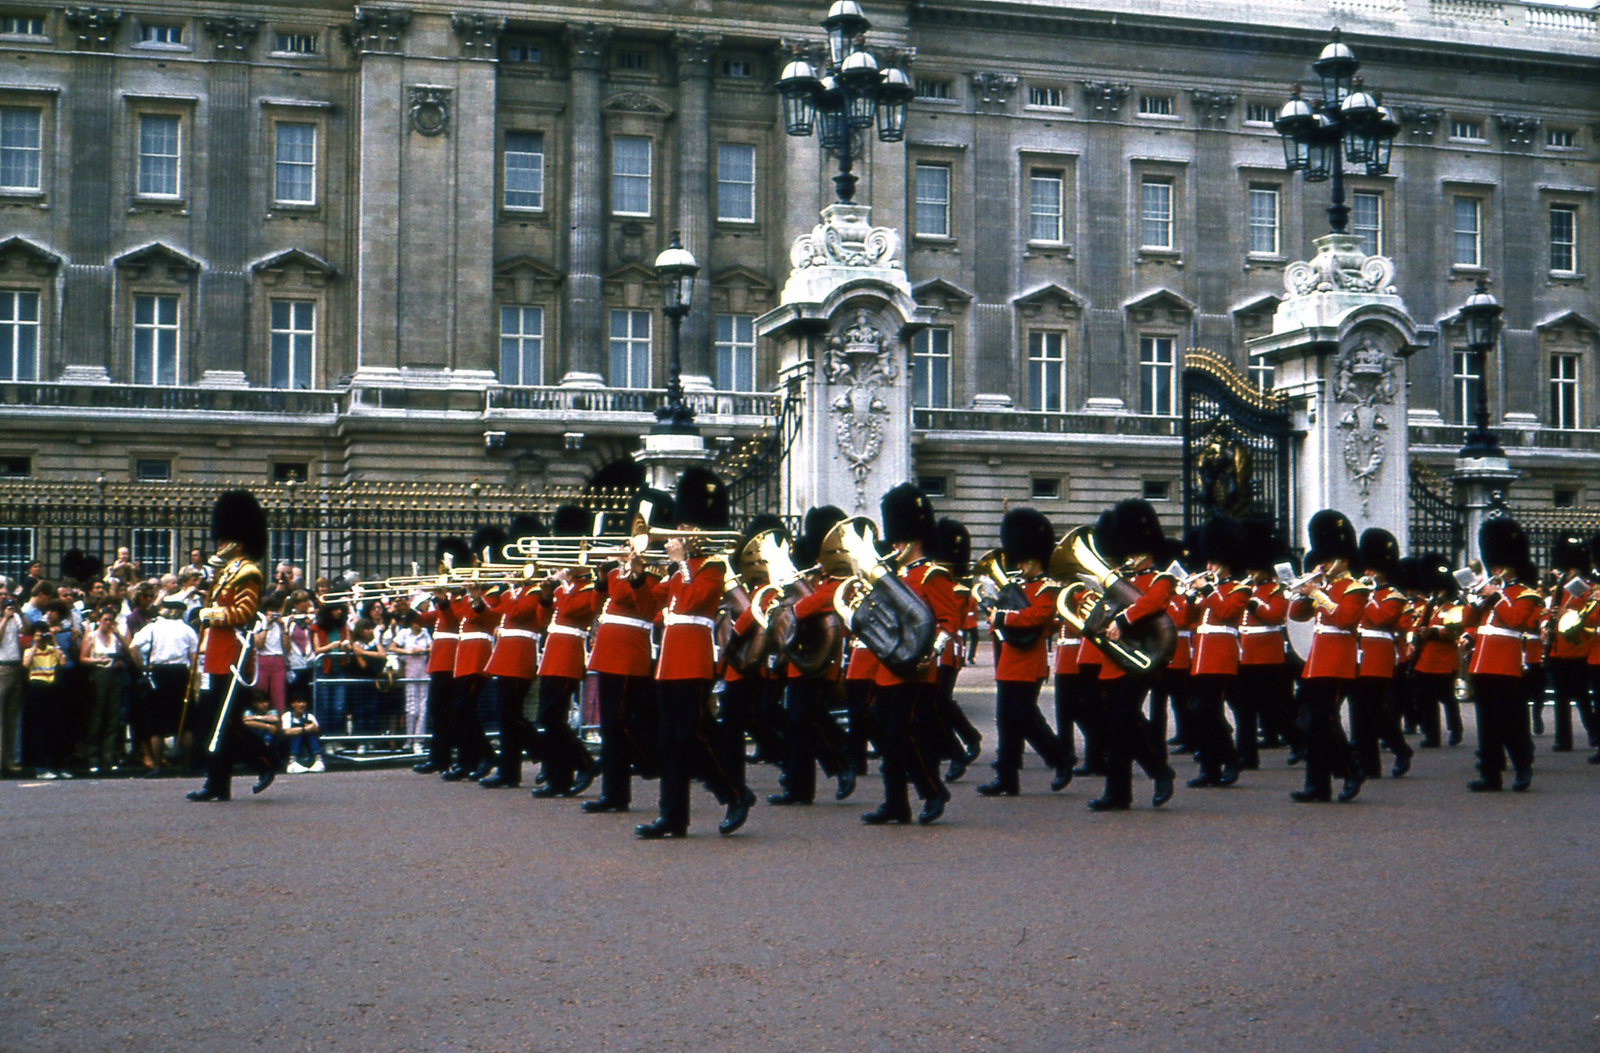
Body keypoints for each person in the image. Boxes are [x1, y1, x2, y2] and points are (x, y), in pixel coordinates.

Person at [634, 467, 755, 839]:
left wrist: (681, 564)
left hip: (693, 660)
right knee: (670, 741)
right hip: (669, 661)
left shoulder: (713, 567)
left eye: (687, 527)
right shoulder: (678, 570)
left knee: (692, 736)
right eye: (679, 526)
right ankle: (672, 816)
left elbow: (693, 602)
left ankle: (736, 793)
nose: (679, 533)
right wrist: (637, 574)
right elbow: (649, 606)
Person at [861, 483, 960, 826]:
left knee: (900, 732)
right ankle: (895, 804)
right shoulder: (894, 576)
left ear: (915, 540)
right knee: (886, 734)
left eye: (899, 540)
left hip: (917, 670)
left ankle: (932, 791)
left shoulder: (933, 575)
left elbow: (950, 622)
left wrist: (930, 654)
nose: (893, 546)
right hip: (888, 668)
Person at [1087, 500, 1179, 812]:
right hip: (1114, 660)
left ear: (1147, 549)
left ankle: (1159, 771)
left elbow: (1154, 602)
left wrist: (1123, 620)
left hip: (1144, 659)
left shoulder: (1161, 579)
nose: (1131, 557)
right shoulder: (1121, 579)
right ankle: (1118, 793)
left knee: (1123, 721)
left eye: (1136, 551)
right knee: (1115, 728)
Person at [188, 490, 279, 803]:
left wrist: (207, 614)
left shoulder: (247, 572)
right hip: (217, 652)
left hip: (234, 654)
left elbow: (244, 613)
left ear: (237, 543)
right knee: (215, 723)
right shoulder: (224, 572)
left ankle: (265, 760)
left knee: (224, 722)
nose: (218, 545)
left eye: (223, 540)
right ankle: (217, 784)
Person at [582, 490, 669, 814]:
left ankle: (652, 769)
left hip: (629, 655)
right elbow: (599, 606)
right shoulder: (630, 570)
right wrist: (602, 579)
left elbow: (638, 602)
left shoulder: (656, 570)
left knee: (620, 725)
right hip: (609, 653)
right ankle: (616, 794)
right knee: (612, 726)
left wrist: (626, 573)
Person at [978, 507, 1073, 797]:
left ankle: (1061, 758)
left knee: (1025, 717)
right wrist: (995, 617)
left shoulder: (1048, 589)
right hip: (1009, 660)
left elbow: (1036, 617)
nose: (1018, 565)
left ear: (1032, 559)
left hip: (1030, 661)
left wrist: (1003, 618)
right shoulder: (1016, 586)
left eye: (1022, 560)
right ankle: (1006, 778)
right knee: (1006, 720)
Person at [1286, 510, 1366, 804]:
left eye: (1327, 558)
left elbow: (1344, 619)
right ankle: (1317, 786)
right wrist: (1304, 592)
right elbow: (1297, 615)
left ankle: (1350, 769)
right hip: (1317, 661)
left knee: (1324, 720)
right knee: (1312, 724)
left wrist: (1318, 593)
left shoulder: (1355, 588)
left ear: (1342, 560)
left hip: (1339, 661)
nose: (1322, 563)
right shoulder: (1326, 586)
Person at [529, 508, 601, 798]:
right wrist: (546, 596)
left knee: (552, 717)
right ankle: (559, 778)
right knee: (549, 718)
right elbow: (541, 621)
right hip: (552, 654)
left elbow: (573, 610)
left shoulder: (588, 588)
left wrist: (560, 586)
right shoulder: (565, 589)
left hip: (569, 655)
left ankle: (585, 763)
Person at [1464, 518, 1539, 793]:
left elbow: (1517, 620)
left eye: (1498, 565)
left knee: (1510, 722)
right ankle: (1490, 774)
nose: (1494, 569)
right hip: (1481, 663)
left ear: (1511, 563)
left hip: (1507, 664)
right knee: (1487, 723)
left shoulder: (1525, 594)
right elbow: (1467, 621)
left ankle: (1522, 767)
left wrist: (1496, 597)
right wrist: (1475, 600)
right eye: (1492, 565)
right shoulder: (1490, 591)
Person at [1183, 516, 1247, 789]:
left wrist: (1207, 590)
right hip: (1201, 655)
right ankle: (1209, 769)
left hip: (1222, 655)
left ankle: (1230, 758)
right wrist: (1188, 597)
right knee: (1200, 711)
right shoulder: (1211, 589)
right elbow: (1188, 619)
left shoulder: (1239, 589)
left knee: (1208, 709)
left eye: (1213, 562)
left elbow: (1227, 613)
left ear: (1227, 560)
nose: (1208, 567)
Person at [1350, 529, 1414, 780]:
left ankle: (1401, 748)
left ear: (1383, 569)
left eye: (1371, 569)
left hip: (1379, 655)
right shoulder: (1361, 590)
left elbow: (1379, 619)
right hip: (1357, 653)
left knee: (1373, 709)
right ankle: (1368, 764)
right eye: (1365, 568)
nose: (1366, 573)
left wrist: (1365, 596)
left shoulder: (1394, 596)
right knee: (1359, 710)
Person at [129, 596, 198, 778]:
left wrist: (143, 667)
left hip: (158, 673)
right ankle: (188, 765)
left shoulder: (153, 628)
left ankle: (157, 767)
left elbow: (133, 647)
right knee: (185, 722)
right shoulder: (187, 630)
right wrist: (193, 682)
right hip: (181, 674)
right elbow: (194, 659)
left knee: (156, 723)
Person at [1544, 537, 1593, 752]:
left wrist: (1568, 613)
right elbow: (1551, 611)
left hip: (1577, 647)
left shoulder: (1585, 587)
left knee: (1582, 696)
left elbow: (1588, 617)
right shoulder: (1560, 586)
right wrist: (1547, 623)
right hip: (1558, 647)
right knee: (1561, 698)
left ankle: (1595, 733)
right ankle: (1563, 739)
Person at [78, 605, 129, 774]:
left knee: (113, 716)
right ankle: (93, 756)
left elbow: (128, 650)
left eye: (111, 620)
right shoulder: (91, 636)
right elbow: (83, 658)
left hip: (114, 675)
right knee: (96, 715)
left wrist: (119, 636)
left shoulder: (115, 636)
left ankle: (109, 755)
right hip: (98, 674)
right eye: (105, 619)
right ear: (99, 620)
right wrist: (98, 661)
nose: (108, 623)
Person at [1, 596, 25, 777]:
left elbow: (27, 629)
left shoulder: (16, 618)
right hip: (2, 667)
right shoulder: (3, 620)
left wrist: (19, 611)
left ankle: (9, 760)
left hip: (17, 666)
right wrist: (5, 619)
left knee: (12, 717)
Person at [282, 690, 324, 773]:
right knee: (296, 732)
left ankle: (318, 760)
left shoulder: (309, 716)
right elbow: (286, 731)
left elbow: (316, 729)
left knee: (311, 734)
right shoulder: (287, 715)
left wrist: (311, 728)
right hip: (288, 745)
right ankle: (292, 762)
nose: (302, 705)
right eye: (299, 702)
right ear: (293, 704)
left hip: (306, 744)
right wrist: (304, 729)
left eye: (304, 702)